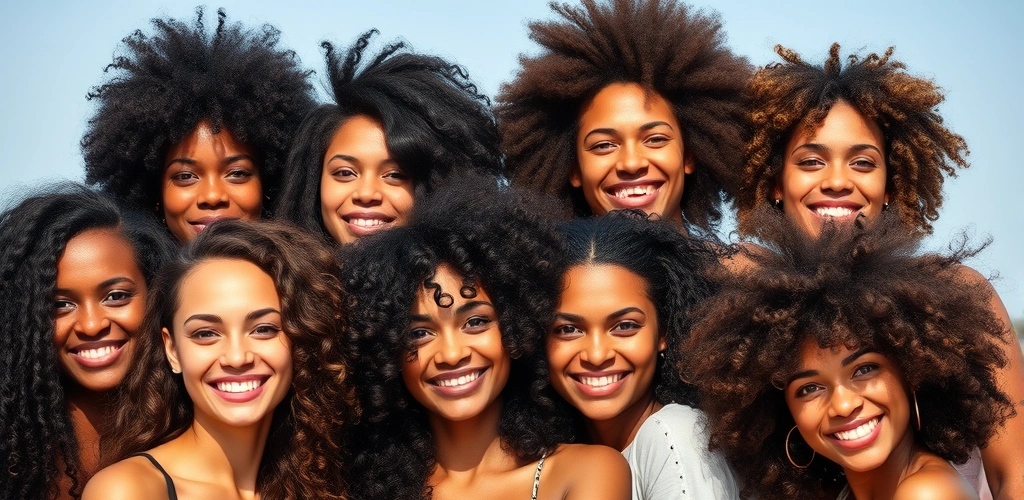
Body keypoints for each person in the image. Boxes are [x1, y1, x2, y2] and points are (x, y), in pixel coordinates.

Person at [733, 44, 1024, 500]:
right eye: (811, 160)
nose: (838, 180)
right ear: (775, 182)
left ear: (891, 181)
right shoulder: (754, 308)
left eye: (863, 161)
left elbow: (1017, 486)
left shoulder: (954, 294)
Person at [684, 214, 1015, 500]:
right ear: (784, 413)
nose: (843, 404)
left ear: (913, 371)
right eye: (809, 388)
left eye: (864, 370)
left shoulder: (930, 499)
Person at [341, 177, 631, 500]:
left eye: (475, 322)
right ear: (386, 351)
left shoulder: (587, 474)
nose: (453, 353)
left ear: (517, 326)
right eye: (419, 333)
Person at [79, 220, 361, 500]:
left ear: (299, 341)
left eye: (263, 329)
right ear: (172, 350)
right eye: (206, 334)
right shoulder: (125, 496)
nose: (237, 357)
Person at [542, 211, 776, 500]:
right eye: (568, 330)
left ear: (663, 332)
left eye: (624, 326)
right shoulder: (570, 456)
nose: (597, 354)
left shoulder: (674, 435)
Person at [0, 184, 171, 500]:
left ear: (157, 295)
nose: (92, 324)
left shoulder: (197, 443)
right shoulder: (11, 456)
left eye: (116, 296)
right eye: (60, 304)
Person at [496, 0, 750, 229]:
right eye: (604, 145)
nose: (631, 163)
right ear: (574, 170)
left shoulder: (747, 277)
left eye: (656, 139)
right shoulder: (545, 281)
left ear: (689, 156)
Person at [81, 8, 315, 243]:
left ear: (269, 188)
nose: (212, 196)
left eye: (237, 173)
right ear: (155, 194)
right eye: (185, 176)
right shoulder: (126, 279)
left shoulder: (314, 279)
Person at [277, 29, 502, 245]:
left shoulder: (460, 285)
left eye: (394, 175)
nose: (366, 194)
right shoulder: (267, 281)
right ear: (313, 184)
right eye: (345, 173)